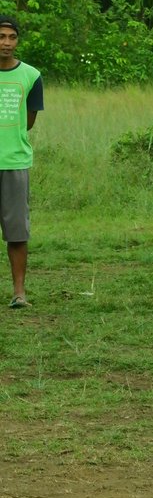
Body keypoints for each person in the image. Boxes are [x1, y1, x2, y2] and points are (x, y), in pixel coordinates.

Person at [0, 16, 44, 310]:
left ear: (17, 41)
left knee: (17, 231)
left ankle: (19, 293)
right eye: (1, 36)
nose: (6, 43)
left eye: (11, 37)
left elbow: (28, 121)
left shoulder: (31, 76)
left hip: (14, 162)